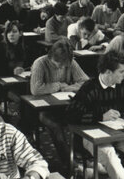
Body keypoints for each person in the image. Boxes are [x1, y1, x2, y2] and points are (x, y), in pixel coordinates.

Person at [67, 51, 124, 179]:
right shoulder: (89, 87)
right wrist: (100, 116)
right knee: (110, 156)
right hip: (92, 137)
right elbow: (71, 114)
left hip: (120, 134)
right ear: (109, 72)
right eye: (121, 71)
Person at [30, 39, 90, 167]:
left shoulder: (70, 62)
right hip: (45, 109)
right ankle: (69, 163)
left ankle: (85, 156)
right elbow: (36, 89)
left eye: (65, 65)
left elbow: (86, 82)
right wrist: (58, 85)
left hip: (65, 106)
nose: (62, 68)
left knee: (85, 118)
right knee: (56, 126)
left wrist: (70, 87)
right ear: (50, 56)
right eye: (58, 65)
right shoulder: (40, 63)